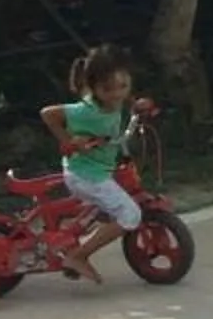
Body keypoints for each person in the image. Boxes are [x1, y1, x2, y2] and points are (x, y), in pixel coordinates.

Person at [38, 43, 142, 285]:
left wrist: (136, 105)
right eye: (109, 89)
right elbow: (47, 114)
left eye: (123, 86)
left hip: (95, 170)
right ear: (93, 88)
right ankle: (78, 256)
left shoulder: (111, 103)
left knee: (112, 202)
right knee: (130, 214)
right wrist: (70, 142)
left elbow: (121, 102)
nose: (117, 94)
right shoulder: (86, 111)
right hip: (85, 175)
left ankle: (81, 238)